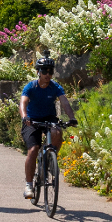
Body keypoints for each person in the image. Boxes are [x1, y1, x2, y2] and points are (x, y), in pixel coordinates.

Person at [20, 58, 74, 197]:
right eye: (44, 71)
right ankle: (29, 185)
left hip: (49, 117)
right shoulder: (31, 87)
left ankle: (49, 159)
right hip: (31, 120)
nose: (47, 74)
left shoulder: (55, 87)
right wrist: (25, 116)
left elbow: (65, 103)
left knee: (57, 132)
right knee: (33, 149)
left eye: (50, 71)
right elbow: (23, 103)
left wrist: (72, 118)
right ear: (38, 72)